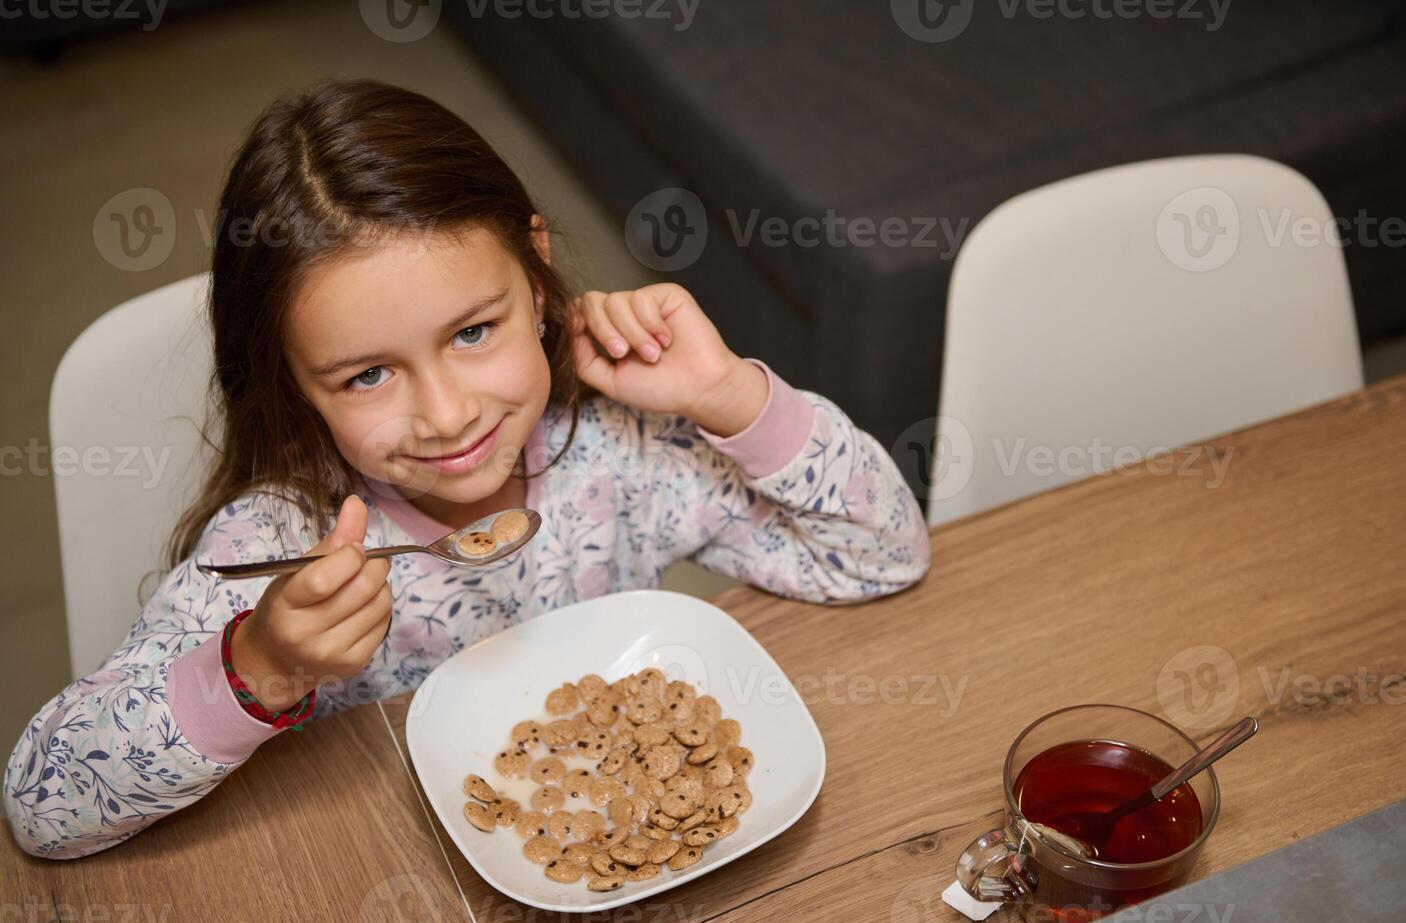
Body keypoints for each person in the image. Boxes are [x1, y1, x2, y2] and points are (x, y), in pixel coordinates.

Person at [5, 79, 930, 859]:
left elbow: (880, 555)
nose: (447, 417)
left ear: (535, 270)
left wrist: (730, 397)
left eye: (472, 332)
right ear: (290, 379)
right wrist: (261, 666)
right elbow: (43, 808)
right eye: (367, 374)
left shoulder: (626, 459)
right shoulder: (282, 547)